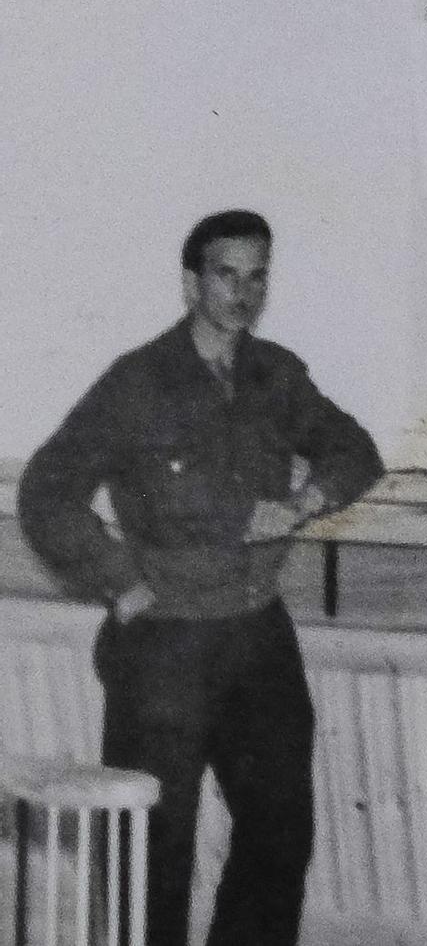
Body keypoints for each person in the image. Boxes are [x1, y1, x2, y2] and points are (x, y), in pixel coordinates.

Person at [15, 210, 384, 946]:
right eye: (226, 274)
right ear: (191, 283)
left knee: (280, 833)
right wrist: (120, 581)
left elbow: (353, 448)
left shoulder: (277, 374)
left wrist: (307, 500)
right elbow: (46, 492)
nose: (243, 293)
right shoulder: (137, 382)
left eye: (258, 277)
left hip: (257, 636)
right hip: (166, 648)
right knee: (151, 853)